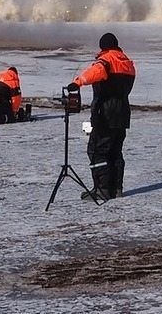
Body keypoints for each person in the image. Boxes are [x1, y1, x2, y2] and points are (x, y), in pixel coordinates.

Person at [67, 33, 135, 201]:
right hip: (122, 113)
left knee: (97, 150)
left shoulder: (105, 61)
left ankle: (102, 189)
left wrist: (77, 82)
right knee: (115, 151)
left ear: (103, 47)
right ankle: (116, 188)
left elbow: (94, 73)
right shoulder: (127, 63)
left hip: (105, 113)